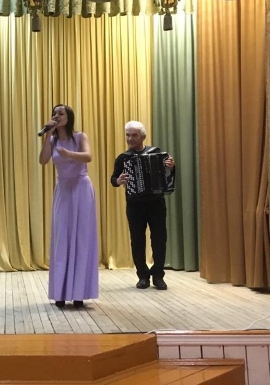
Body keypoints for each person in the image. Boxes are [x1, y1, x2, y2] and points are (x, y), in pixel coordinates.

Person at [39, 104, 99, 308]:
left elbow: (88, 156)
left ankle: (79, 293)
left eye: (61, 113)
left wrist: (69, 154)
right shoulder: (53, 139)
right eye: (54, 113)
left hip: (81, 187)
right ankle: (60, 293)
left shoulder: (80, 136)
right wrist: (48, 134)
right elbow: (43, 160)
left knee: (81, 238)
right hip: (63, 189)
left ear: (69, 117)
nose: (57, 116)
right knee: (62, 238)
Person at [110, 121, 175, 290]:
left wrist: (170, 168)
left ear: (143, 137)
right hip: (135, 204)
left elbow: (167, 178)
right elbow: (113, 179)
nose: (130, 139)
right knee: (137, 240)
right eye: (128, 135)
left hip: (156, 203)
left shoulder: (157, 153)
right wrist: (118, 180)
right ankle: (143, 276)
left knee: (159, 239)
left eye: (134, 135)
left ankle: (158, 275)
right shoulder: (123, 158)